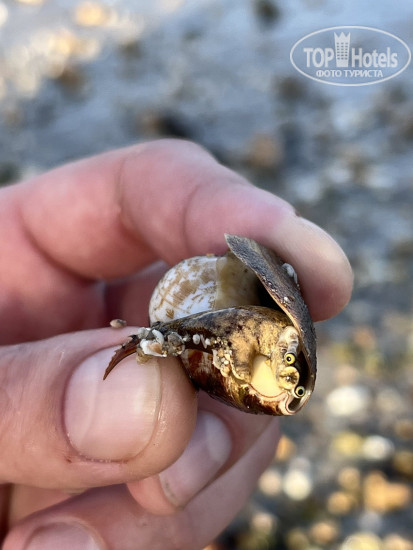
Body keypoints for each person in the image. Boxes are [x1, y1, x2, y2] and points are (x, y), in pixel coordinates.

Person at [0, 140, 352, 549]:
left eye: (290, 387)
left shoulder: (255, 371)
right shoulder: (269, 332)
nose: (288, 379)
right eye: (295, 374)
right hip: (203, 301)